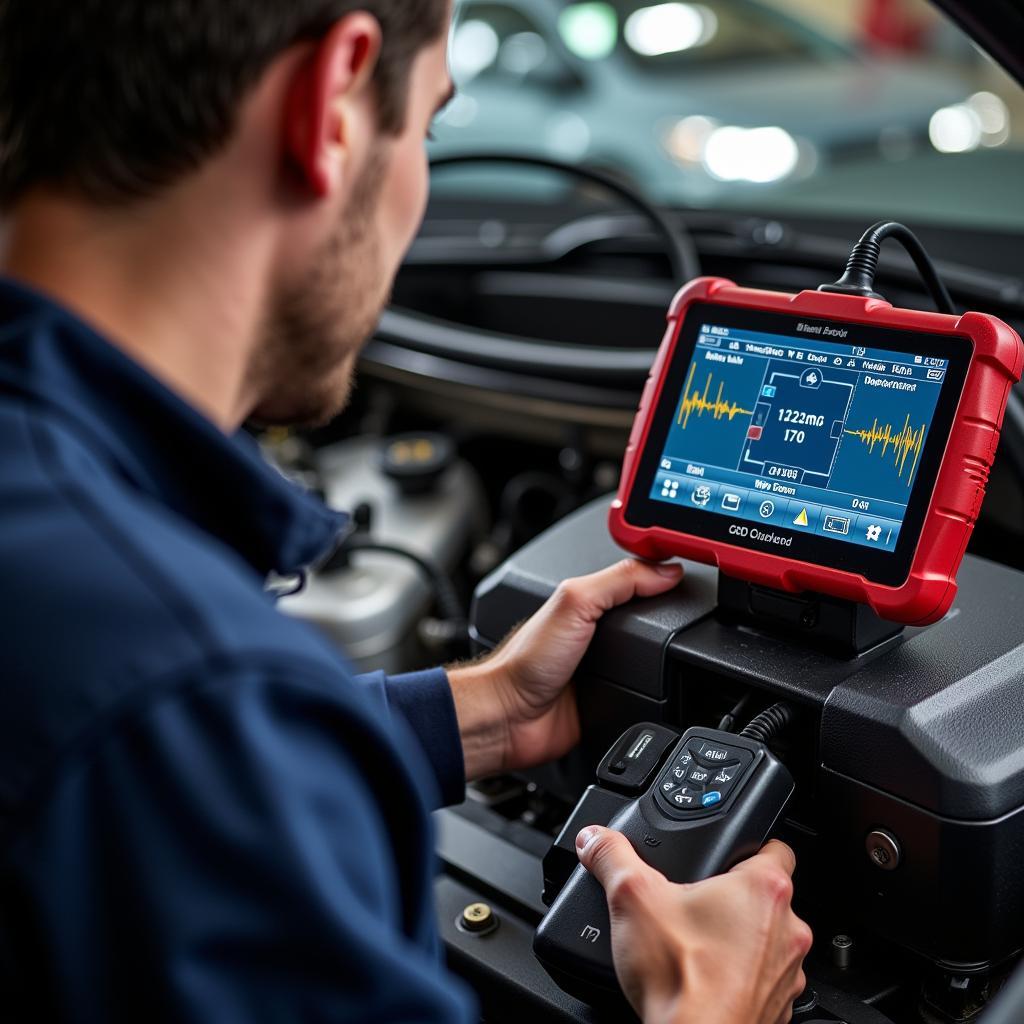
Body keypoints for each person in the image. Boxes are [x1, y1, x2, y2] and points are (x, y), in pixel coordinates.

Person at [0, 1, 812, 1020]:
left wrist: (469, 714)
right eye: (425, 127)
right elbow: (176, 729)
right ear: (331, 102)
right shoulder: (188, 704)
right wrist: (711, 1007)